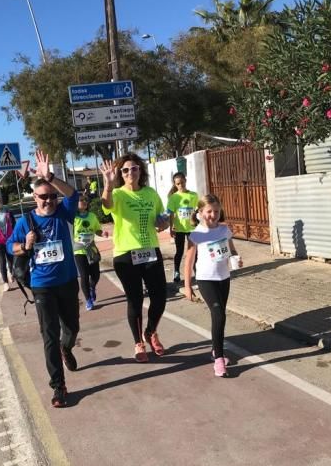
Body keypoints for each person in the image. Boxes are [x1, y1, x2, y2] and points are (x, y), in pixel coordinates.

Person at [7, 151, 79, 408]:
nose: (48, 200)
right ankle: (58, 387)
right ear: (34, 198)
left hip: (68, 281)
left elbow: (73, 195)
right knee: (49, 335)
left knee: (71, 329)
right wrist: (24, 246)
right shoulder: (26, 221)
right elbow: (10, 246)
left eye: (51, 196)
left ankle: (67, 348)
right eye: (43, 196)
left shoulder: (63, 212)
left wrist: (50, 176)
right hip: (42, 286)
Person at [100, 152, 169, 363]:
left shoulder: (150, 194)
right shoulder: (118, 194)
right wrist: (108, 185)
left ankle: (150, 332)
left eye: (135, 168)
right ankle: (138, 342)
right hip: (126, 255)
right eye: (126, 170)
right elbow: (106, 204)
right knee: (135, 300)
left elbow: (161, 218)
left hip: (150, 251)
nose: (131, 172)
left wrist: (164, 223)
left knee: (160, 297)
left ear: (141, 170)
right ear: (121, 173)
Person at [183, 194, 243, 377]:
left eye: (216, 211)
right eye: (209, 211)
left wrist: (236, 259)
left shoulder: (224, 230)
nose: (213, 215)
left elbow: (232, 250)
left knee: (220, 317)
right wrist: (187, 286)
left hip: (223, 278)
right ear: (200, 212)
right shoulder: (196, 234)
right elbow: (189, 261)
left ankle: (215, 349)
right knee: (218, 314)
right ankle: (219, 359)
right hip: (205, 279)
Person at [73, 194, 107, 311]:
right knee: (84, 275)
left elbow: (97, 229)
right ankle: (88, 300)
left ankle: (92, 287)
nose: (84, 202)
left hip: (91, 249)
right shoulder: (73, 218)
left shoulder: (92, 216)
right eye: (80, 200)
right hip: (79, 250)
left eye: (85, 200)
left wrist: (102, 234)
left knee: (96, 275)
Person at [167, 172, 198, 283]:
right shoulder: (173, 197)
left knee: (194, 251)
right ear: (175, 185)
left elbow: (197, 210)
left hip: (192, 228)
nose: (181, 185)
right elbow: (170, 214)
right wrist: (171, 228)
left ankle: (196, 271)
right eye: (178, 184)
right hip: (179, 229)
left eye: (182, 182)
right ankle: (176, 272)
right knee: (179, 251)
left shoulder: (193, 195)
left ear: (185, 181)